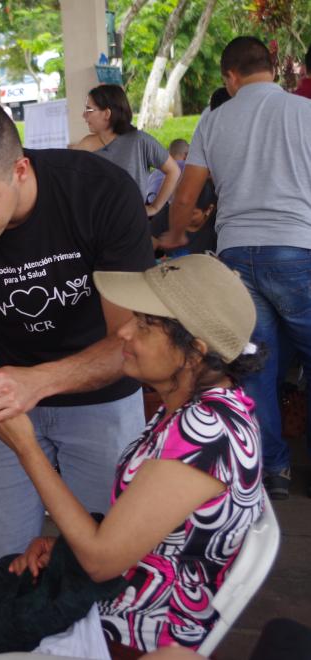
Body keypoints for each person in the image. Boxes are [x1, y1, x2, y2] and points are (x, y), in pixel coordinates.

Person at [0, 99, 154, 569]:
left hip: (103, 394)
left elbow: (131, 340)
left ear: (20, 169)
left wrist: (35, 382)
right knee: (4, 560)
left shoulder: (99, 192)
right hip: (2, 400)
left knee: (110, 559)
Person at [0, 254, 264, 653]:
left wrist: (26, 447)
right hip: (129, 601)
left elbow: (101, 562)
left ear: (194, 352)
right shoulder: (196, 408)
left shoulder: (202, 431)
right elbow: (151, 534)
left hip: (142, 630)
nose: (124, 332)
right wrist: (68, 547)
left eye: (146, 324)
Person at [166, 36, 311, 500]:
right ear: (270, 67)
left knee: (255, 365)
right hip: (297, 250)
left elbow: (186, 195)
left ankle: (275, 470)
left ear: (230, 77)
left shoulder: (215, 118)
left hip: (236, 255)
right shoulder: (303, 112)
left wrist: (174, 235)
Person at [72, 84, 181, 218]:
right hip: (96, 229)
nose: (84, 115)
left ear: (107, 113)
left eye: (89, 109)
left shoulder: (140, 141)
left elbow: (173, 170)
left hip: (131, 226)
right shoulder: (85, 145)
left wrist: (154, 207)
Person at [145, 138, 187, 206]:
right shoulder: (184, 165)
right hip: (166, 204)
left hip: (150, 202)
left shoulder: (156, 171)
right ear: (186, 155)